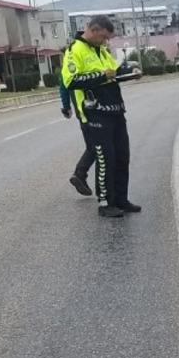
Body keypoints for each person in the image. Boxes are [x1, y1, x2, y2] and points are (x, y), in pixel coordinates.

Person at [61, 15, 140, 217]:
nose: (105, 41)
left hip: (115, 110)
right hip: (95, 113)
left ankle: (121, 199)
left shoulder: (101, 50)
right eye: (103, 37)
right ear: (93, 30)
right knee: (106, 159)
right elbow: (71, 81)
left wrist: (130, 72)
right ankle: (105, 203)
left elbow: (113, 72)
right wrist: (102, 75)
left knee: (122, 156)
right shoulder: (75, 50)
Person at [60, 74, 95, 196]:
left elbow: (63, 86)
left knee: (93, 146)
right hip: (92, 109)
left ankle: (80, 174)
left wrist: (66, 106)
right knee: (98, 146)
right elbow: (65, 84)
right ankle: (80, 174)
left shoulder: (67, 65)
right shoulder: (73, 63)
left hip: (82, 112)